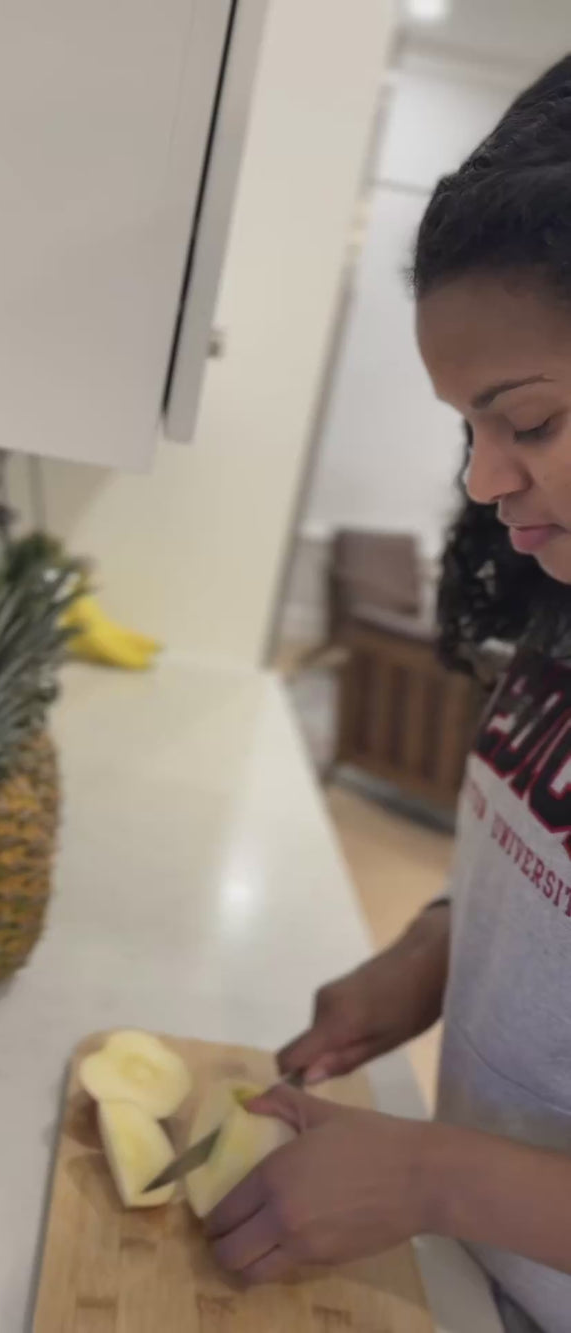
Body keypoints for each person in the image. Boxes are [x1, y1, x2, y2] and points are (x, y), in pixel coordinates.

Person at [205, 55, 571, 1333]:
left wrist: (432, 1175)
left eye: (529, 422)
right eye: (469, 428)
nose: (484, 479)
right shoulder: (565, 607)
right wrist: (432, 951)